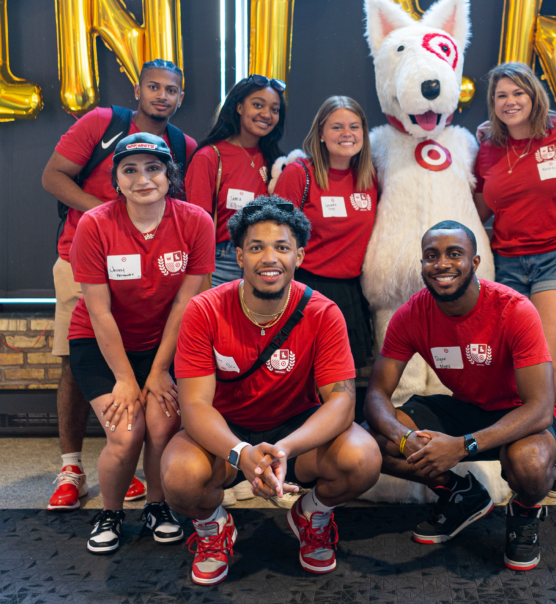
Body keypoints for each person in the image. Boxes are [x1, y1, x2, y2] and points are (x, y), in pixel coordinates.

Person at [162, 195, 381, 585]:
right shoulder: (204, 310)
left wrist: (285, 449)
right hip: (227, 433)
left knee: (363, 459)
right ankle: (212, 528)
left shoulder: (323, 311)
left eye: (281, 247)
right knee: (179, 477)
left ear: (298, 255)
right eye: (256, 247)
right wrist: (240, 452)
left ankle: (312, 514)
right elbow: (194, 405)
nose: (269, 258)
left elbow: (342, 402)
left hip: (296, 434)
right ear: (239, 256)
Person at [41, 59, 197, 511]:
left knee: (149, 364)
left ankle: (126, 463)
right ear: (137, 90)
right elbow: (52, 176)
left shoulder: (182, 145)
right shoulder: (103, 122)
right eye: (154, 86)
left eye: (171, 90)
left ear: (180, 98)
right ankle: (72, 466)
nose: (161, 95)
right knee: (76, 358)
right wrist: (109, 219)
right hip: (82, 258)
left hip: (151, 267)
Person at [365, 221, 556, 571]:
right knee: (372, 438)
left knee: (530, 466)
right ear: (422, 264)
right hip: (467, 407)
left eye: (455, 254)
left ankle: (525, 512)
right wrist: (405, 437)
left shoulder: (514, 309)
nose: (442, 264)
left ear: (475, 262)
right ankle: (462, 494)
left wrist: (461, 446)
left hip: (519, 415)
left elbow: (541, 408)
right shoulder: (412, 314)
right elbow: (377, 393)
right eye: (431, 256)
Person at [67, 133, 214, 553]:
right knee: (127, 433)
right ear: (116, 179)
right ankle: (110, 512)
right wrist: (126, 379)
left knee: (163, 425)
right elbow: (99, 312)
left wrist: (159, 370)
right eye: (130, 170)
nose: (143, 179)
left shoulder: (195, 221)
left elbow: (186, 302)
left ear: (170, 175)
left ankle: (157, 505)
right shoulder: (95, 224)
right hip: (100, 343)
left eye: (153, 168)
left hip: (162, 343)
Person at [473, 63, 556, 499]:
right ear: (492, 106)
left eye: (519, 93)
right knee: (512, 367)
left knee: (544, 362)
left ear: (534, 95)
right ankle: (524, 445)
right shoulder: (488, 149)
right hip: (509, 262)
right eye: (501, 96)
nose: (511, 101)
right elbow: (479, 212)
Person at [271, 95, 377, 369]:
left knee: (343, 378)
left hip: (352, 292)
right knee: (302, 375)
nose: (347, 134)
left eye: (354, 127)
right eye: (336, 127)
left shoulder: (370, 177)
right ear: (320, 132)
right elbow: (275, 235)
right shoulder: (299, 174)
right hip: (308, 287)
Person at [185, 75, 286, 288]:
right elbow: (196, 227)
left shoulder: (277, 161)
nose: (267, 115)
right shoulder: (210, 156)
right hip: (223, 261)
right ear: (239, 107)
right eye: (258, 105)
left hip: (267, 260)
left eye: (275, 109)